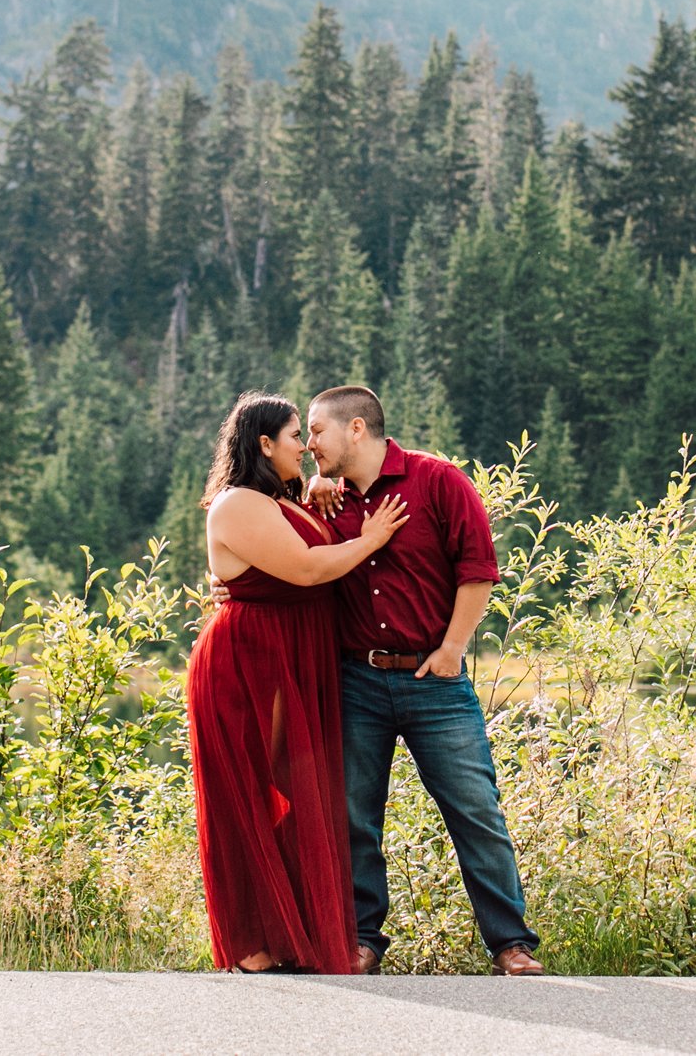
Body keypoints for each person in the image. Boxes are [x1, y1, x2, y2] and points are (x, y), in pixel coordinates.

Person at [304, 384, 544, 977]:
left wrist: (453, 649)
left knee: (475, 809)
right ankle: (360, 942)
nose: (310, 445)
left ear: (355, 429)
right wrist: (308, 489)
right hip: (357, 680)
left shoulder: (439, 482)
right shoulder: (329, 501)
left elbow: (478, 568)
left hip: (435, 680)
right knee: (355, 816)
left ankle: (511, 945)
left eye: (316, 432)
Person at [187, 392, 410, 974]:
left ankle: (290, 931)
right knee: (255, 796)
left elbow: (306, 541)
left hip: (294, 655)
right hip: (252, 661)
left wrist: (314, 493)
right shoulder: (236, 504)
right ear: (264, 444)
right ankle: (255, 941)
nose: (307, 447)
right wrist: (371, 540)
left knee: (300, 789)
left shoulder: (280, 499)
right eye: (295, 437)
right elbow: (309, 568)